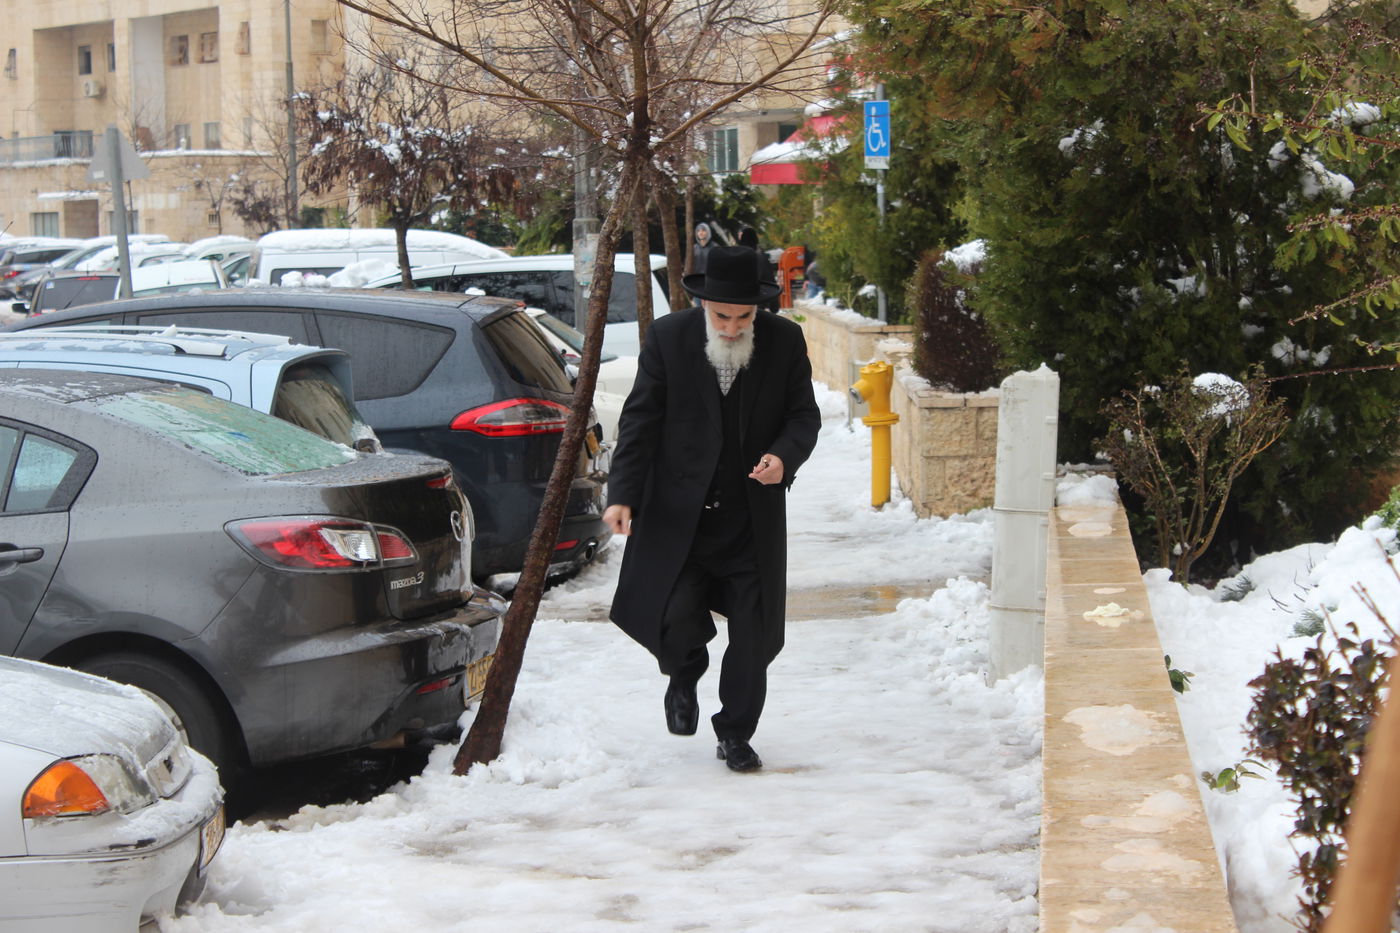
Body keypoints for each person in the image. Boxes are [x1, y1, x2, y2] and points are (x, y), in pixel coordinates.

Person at [603, 245, 821, 773]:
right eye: (722, 316)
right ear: (703, 305)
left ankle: (736, 732)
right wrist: (623, 494)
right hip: (680, 517)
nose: (731, 327)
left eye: (743, 317)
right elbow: (640, 421)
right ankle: (684, 671)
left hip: (750, 519)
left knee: (753, 634)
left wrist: (783, 457)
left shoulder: (785, 341)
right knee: (673, 615)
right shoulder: (668, 337)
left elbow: (803, 416)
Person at [737, 226, 780, 312]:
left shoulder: (736, 258)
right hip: (757, 303)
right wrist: (774, 306)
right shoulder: (761, 259)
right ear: (756, 241)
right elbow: (770, 281)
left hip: (738, 303)